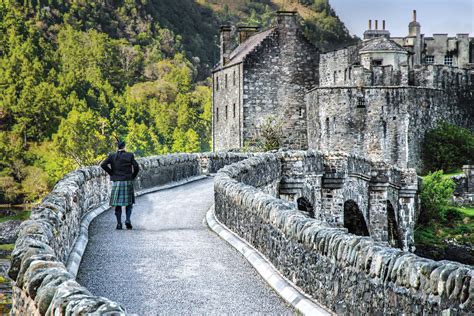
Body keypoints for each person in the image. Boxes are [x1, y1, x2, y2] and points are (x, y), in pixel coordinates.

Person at [100, 140, 140, 230]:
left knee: (117, 204)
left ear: (117, 147)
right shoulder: (130, 155)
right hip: (127, 181)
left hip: (117, 182)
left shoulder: (112, 156)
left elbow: (103, 165)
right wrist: (132, 176)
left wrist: (112, 174)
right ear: (124, 146)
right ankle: (128, 220)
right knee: (129, 203)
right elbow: (136, 167)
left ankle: (119, 224)